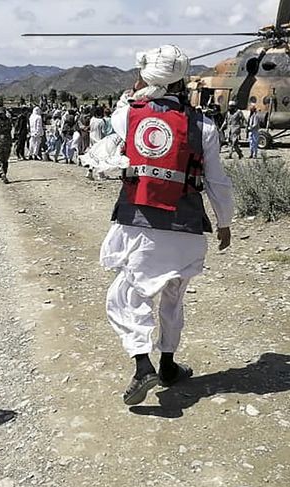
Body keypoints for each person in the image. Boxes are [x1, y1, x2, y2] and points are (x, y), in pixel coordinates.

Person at [98, 45, 234, 406]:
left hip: (140, 222)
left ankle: (143, 366)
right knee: (173, 298)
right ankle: (169, 365)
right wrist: (224, 222)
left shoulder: (128, 115)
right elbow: (218, 181)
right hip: (187, 225)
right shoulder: (203, 125)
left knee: (127, 296)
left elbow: (122, 109)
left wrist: (136, 89)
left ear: (147, 78)